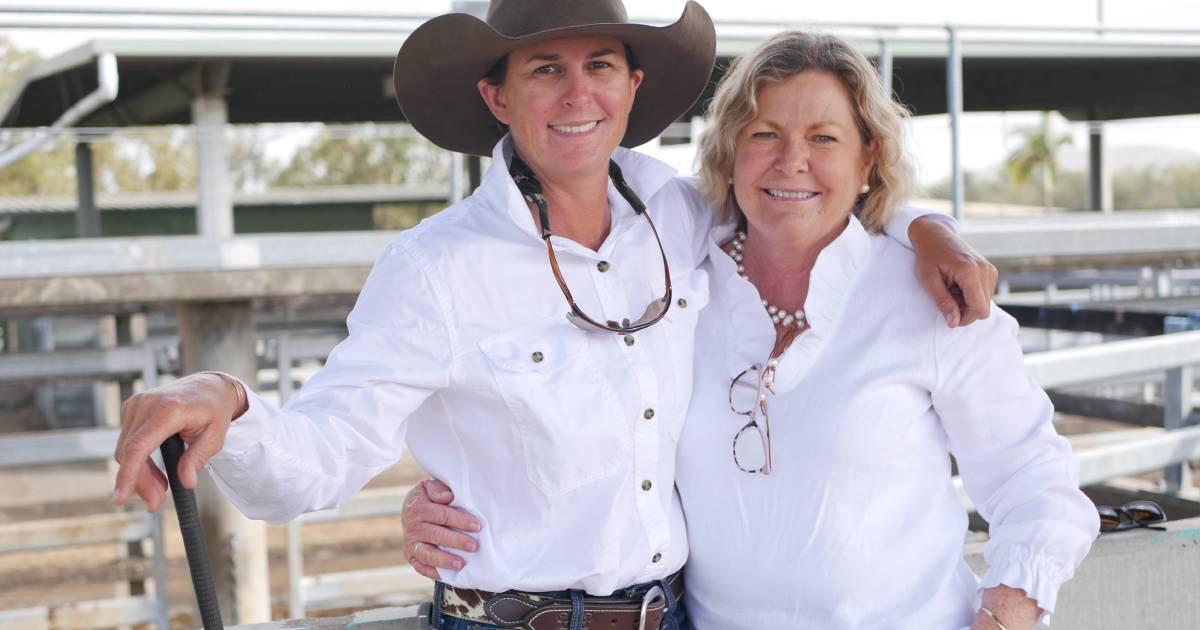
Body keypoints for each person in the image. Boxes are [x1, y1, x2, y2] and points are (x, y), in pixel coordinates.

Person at [110, 2, 997, 628]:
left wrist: (930, 229)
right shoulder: (436, 269)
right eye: (546, 70)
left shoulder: (678, 213)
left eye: (598, 66)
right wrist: (229, 397)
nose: (579, 95)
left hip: (674, 618)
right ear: (498, 98)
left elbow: (808, 200)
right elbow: (324, 456)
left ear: (632, 86)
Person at [398, 29, 1098, 630]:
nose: (791, 161)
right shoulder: (670, 278)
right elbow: (583, 417)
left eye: (824, 138)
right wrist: (464, 492)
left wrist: (1005, 612)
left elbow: (1034, 480)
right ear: (729, 154)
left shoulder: (935, 299)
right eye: (764, 135)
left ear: (868, 160)